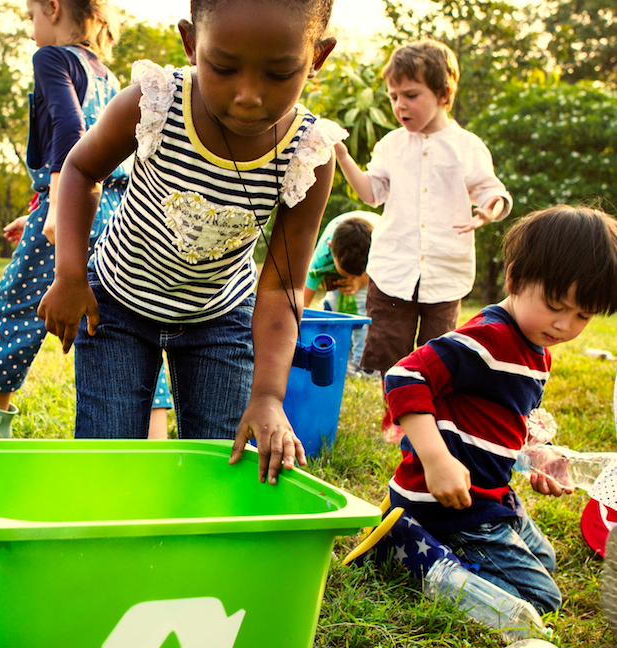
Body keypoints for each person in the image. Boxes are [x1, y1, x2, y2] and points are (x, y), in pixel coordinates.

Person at [37, 0, 346, 484]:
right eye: (223, 67)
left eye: (280, 73)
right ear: (190, 43)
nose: (248, 95)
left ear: (317, 58)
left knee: (225, 462)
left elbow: (281, 285)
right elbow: (80, 168)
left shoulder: (308, 152)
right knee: (107, 462)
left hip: (218, 319)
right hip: (117, 307)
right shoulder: (157, 101)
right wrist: (71, 275)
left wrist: (267, 396)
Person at [0, 0, 172, 439]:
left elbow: (68, 127)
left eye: (32, 17)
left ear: (54, 8)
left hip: (72, 200)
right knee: (124, 320)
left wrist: (60, 207)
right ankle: (154, 439)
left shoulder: (52, 58)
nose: (31, 31)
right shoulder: (108, 75)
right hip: (119, 210)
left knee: (13, 304)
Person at [378, 205, 617, 615]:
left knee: (546, 561)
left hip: (489, 495)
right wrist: (436, 461)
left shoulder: (537, 350)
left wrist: (538, 462)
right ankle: (413, 556)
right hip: (446, 504)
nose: (565, 326)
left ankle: (436, 551)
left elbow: (503, 427)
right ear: (515, 279)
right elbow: (403, 377)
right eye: (556, 305)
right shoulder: (488, 339)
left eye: (583, 315)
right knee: (540, 599)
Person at [333, 39, 512, 379]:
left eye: (411, 95)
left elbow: (493, 191)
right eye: (393, 97)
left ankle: (429, 415)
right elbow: (371, 193)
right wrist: (343, 156)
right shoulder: (391, 145)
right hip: (393, 269)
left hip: (445, 272)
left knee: (438, 353)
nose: (400, 106)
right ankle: (393, 418)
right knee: (388, 345)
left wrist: (490, 208)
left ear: (443, 94)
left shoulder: (467, 147)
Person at [303, 210, 376, 374]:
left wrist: (361, 281)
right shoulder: (323, 255)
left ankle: (363, 363)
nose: (349, 278)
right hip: (344, 255)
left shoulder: (383, 242)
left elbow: (386, 277)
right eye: (346, 273)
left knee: (364, 308)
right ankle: (337, 350)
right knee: (333, 306)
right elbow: (303, 303)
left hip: (374, 269)